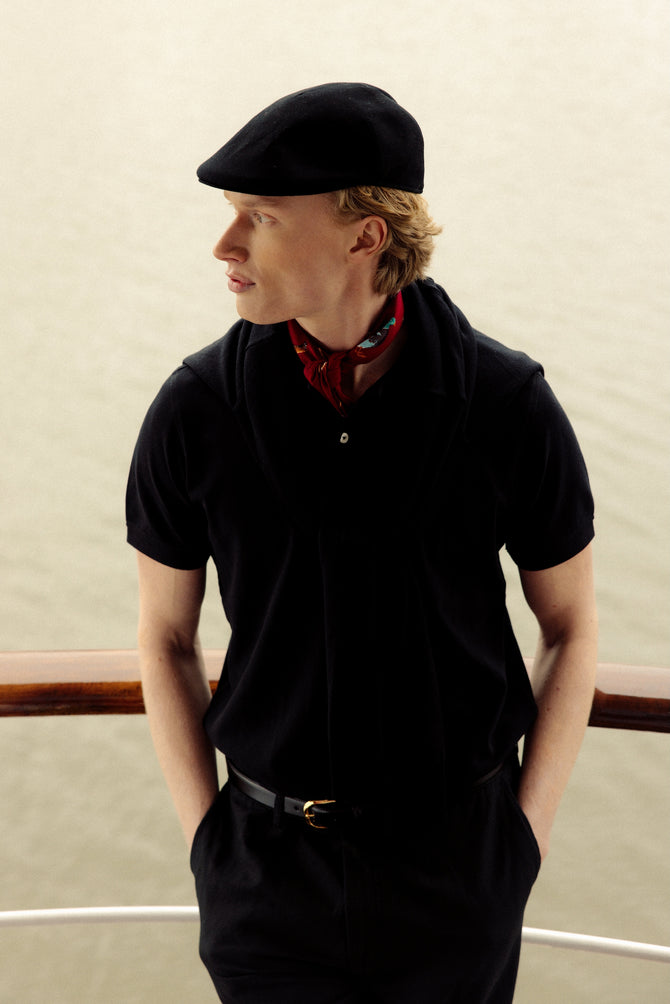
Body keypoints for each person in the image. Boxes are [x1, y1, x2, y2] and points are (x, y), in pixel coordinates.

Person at [126, 82, 597, 1003]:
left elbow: (572, 627)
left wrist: (520, 845)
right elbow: (166, 637)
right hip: (264, 885)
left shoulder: (509, 405)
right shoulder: (194, 410)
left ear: (365, 235)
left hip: (457, 882)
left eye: (260, 218)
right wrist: (208, 845)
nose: (226, 246)